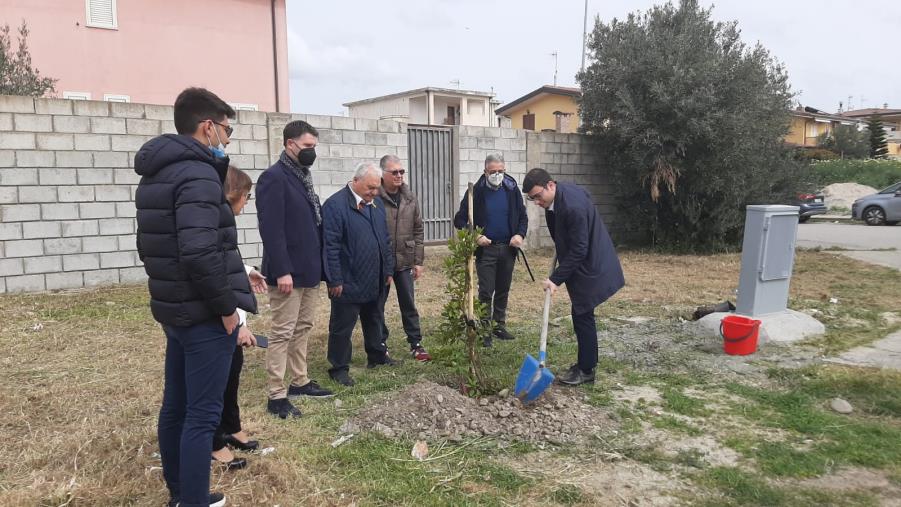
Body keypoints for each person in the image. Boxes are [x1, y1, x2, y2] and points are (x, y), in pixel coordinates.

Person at [135, 87, 257, 507]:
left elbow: (149, 245)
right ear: (207, 127)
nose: (227, 140)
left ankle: (179, 494)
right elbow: (201, 251)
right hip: (204, 313)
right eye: (227, 130)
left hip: (175, 309)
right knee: (202, 414)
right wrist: (227, 311)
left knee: (177, 406)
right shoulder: (199, 174)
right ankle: (193, 500)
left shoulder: (158, 173)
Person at [256, 120, 334, 420]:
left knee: (303, 328)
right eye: (307, 147)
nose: (312, 152)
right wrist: (282, 270)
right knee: (282, 332)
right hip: (287, 272)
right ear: (290, 144)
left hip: (309, 269)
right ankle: (276, 394)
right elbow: (271, 229)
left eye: (314, 147)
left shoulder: (303, 175)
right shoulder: (273, 178)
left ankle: (299, 380)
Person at [521, 168, 625, 386]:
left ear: (550, 185)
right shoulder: (557, 198)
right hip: (584, 260)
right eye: (532, 199)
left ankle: (587, 370)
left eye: (538, 196)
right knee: (581, 313)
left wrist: (555, 279)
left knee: (582, 314)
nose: (537, 202)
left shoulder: (573, 206)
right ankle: (585, 364)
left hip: (592, 264)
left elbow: (579, 249)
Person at [210, 166, 268, 471]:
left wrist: (247, 272)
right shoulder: (212, 223)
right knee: (216, 383)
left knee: (232, 374)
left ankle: (231, 427)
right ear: (232, 194)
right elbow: (212, 274)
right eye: (246, 196)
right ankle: (214, 442)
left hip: (229, 318)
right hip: (219, 319)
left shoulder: (222, 221)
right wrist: (240, 324)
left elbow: (227, 265)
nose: (246, 203)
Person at [322, 162, 396, 387]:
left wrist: (388, 269)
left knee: (375, 318)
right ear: (356, 181)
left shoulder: (377, 205)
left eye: (377, 188)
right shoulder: (335, 206)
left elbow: (384, 240)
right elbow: (330, 246)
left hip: (375, 276)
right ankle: (339, 367)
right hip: (348, 279)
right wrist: (334, 279)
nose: (374, 192)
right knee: (342, 326)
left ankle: (376, 355)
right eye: (370, 188)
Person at [453, 153, 528, 346]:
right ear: (485, 171)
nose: (497, 175)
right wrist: (475, 236)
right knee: (486, 291)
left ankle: (498, 326)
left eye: (500, 171)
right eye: (493, 171)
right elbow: (460, 219)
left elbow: (522, 217)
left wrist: (519, 234)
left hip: (508, 248)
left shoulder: (511, 189)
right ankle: (485, 330)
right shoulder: (476, 192)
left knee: (503, 289)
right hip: (487, 250)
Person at [377, 155, 431, 361]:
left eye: (401, 172)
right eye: (395, 172)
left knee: (409, 303)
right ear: (383, 174)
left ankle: (415, 343)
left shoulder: (410, 197)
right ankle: (380, 343)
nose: (399, 176)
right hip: (382, 262)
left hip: (405, 260)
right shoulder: (375, 197)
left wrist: (418, 261)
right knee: (378, 304)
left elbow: (418, 229)